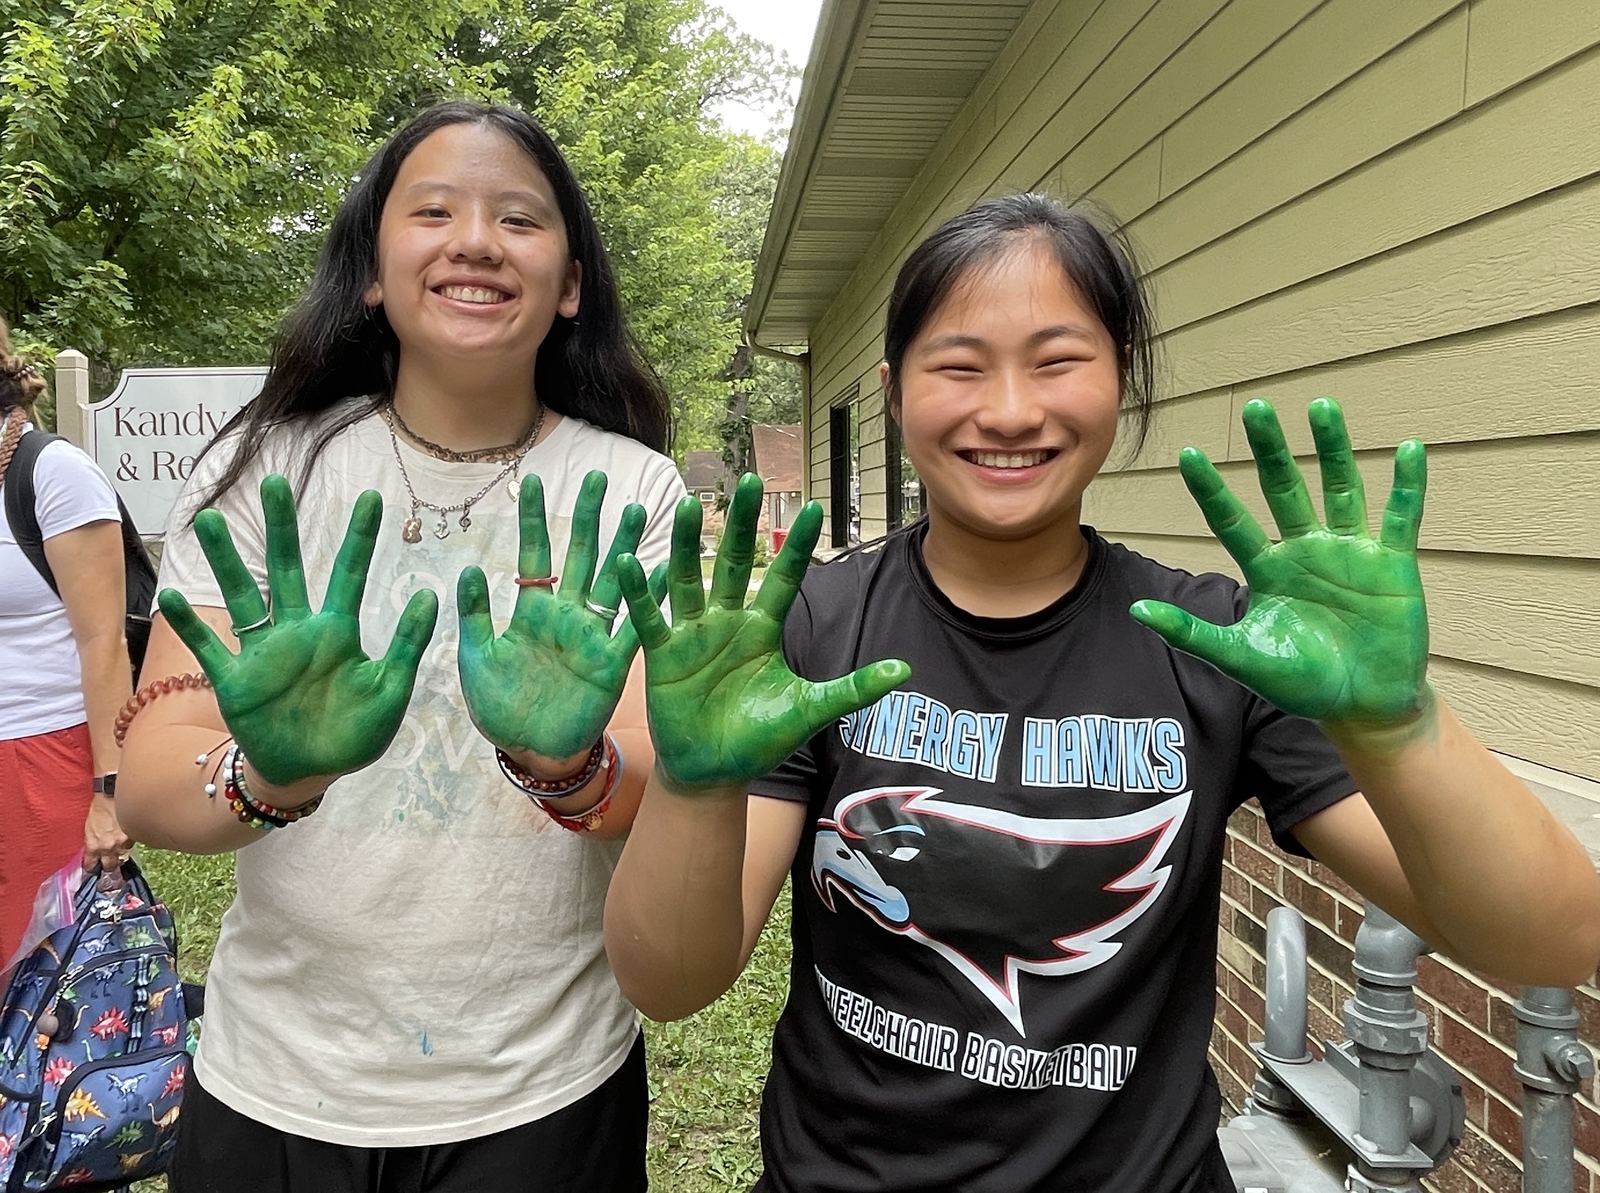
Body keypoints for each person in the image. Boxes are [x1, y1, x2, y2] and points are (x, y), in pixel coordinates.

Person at [601, 193, 1600, 1192]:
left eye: (1056, 359)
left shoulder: (1217, 643)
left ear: (1118, 376)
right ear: (895, 390)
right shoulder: (814, 628)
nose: (1007, 409)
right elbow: (670, 981)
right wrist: (692, 787)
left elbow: (1549, 938)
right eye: (958, 363)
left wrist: (1397, 721)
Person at [116, 101, 683, 1192]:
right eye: (433, 211)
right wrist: (277, 768)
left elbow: (650, 778)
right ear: (372, 270)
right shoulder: (264, 473)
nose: (475, 239)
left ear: (569, 283)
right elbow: (149, 779)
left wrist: (566, 762)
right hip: (276, 1074)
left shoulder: (631, 489)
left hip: (543, 1083)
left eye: (518, 218)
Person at [0, 319, 133, 966]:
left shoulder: (52, 472)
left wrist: (110, 793)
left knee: (35, 995)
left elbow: (105, 642)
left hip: (41, 761)